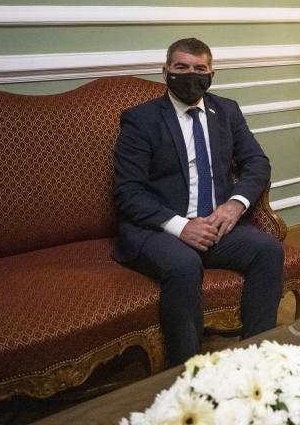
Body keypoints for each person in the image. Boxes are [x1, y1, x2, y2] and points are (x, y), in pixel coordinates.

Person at [112, 38, 285, 367]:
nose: (190, 75)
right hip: (159, 229)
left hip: (216, 224)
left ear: (211, 74)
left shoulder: (227, 111)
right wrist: (181, 227)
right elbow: (128, 192)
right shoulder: (140, 119)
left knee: (269, 250)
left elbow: (257, 163)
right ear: (165, 73)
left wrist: (235, 204)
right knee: (183, 265)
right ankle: (186, 372)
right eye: (181, 68)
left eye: (199, 69)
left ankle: (256, 360)